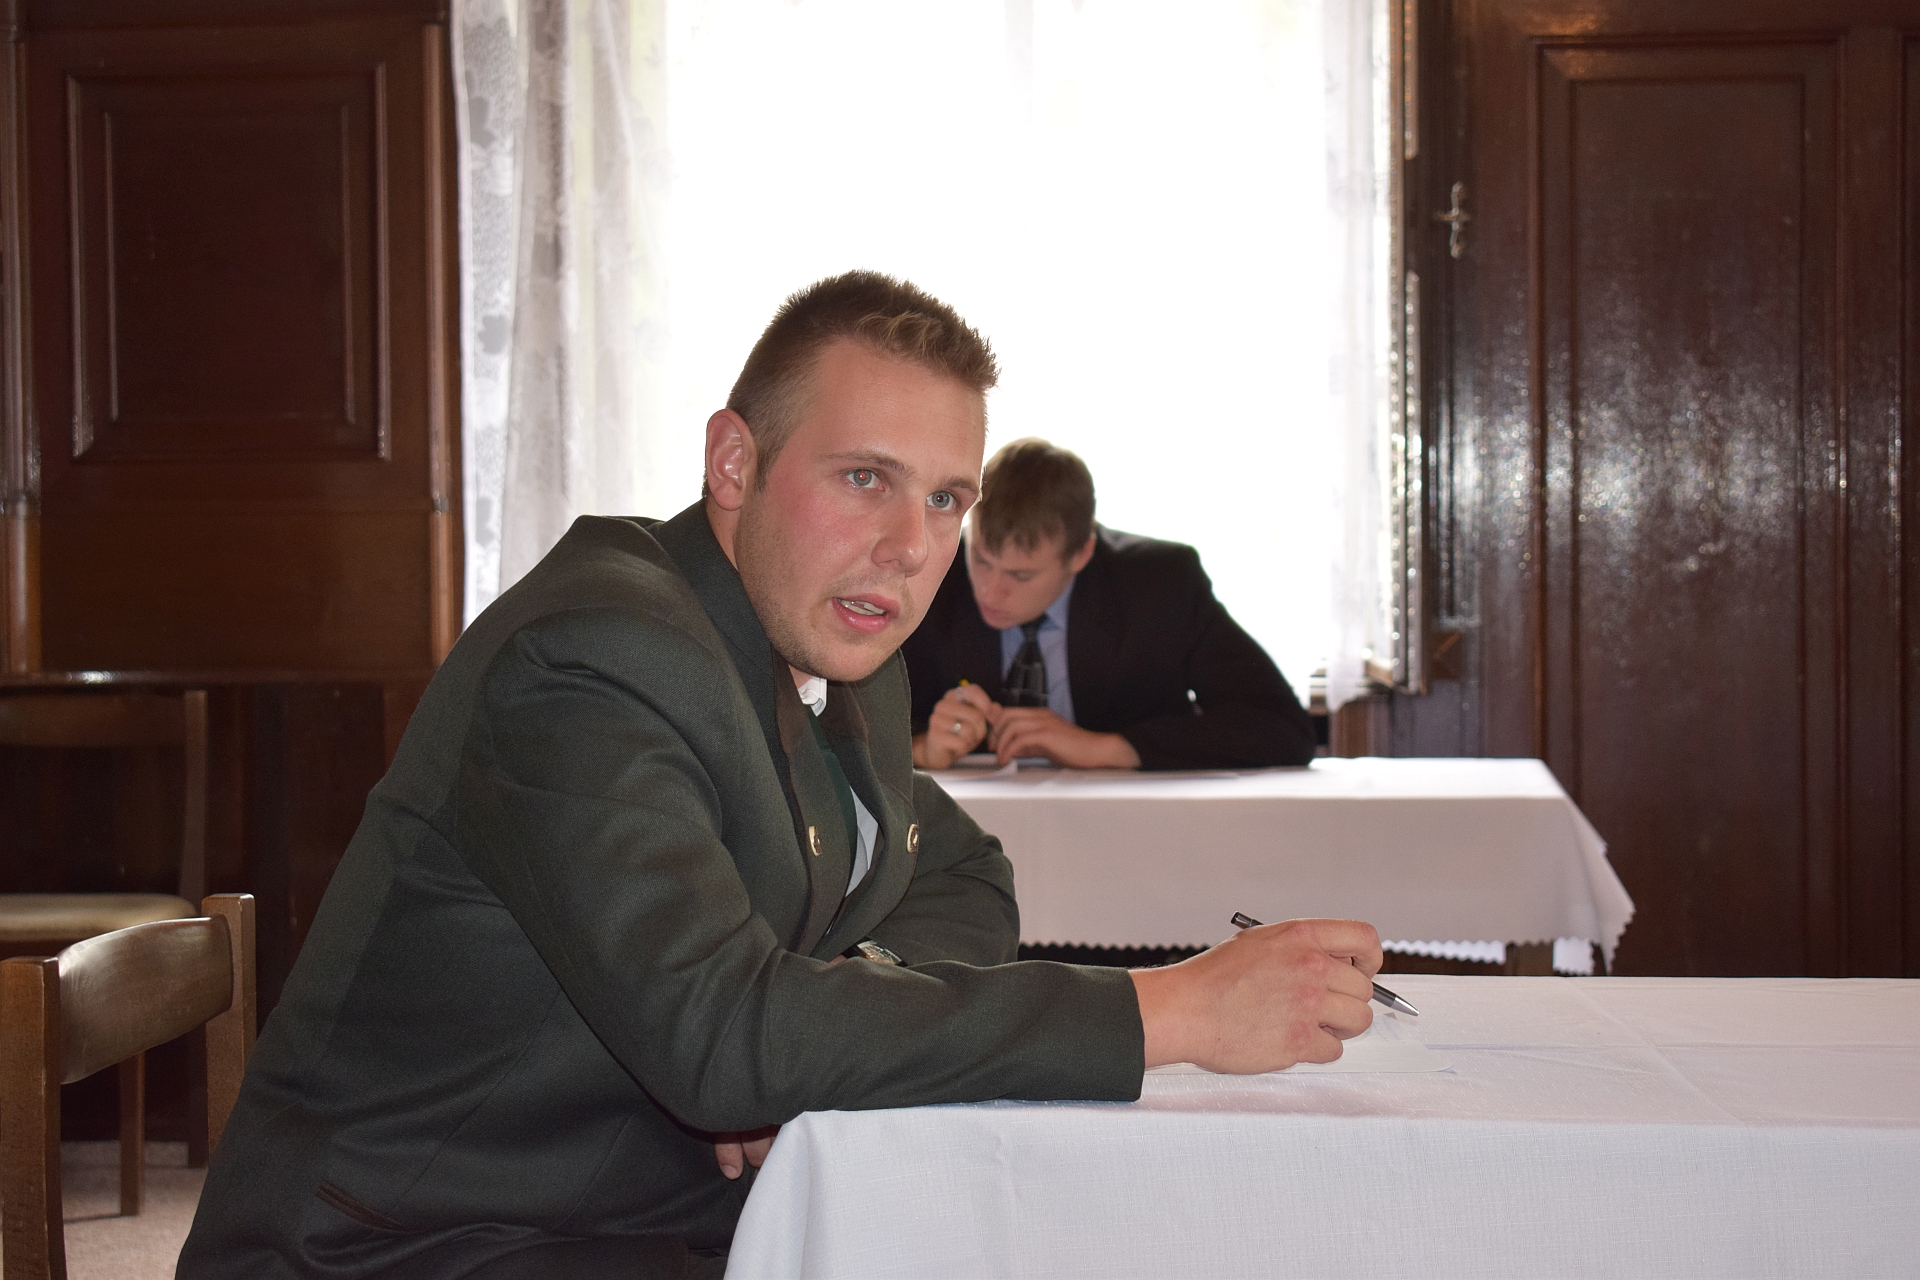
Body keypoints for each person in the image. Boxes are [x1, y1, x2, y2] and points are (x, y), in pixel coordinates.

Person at [178, 272, 1380, 1279]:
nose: (910, 548)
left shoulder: (833, 644)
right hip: (412, 1243)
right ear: (734, 463)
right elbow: (723, 1038)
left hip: (637, 1214)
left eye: (944, 499)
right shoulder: (594, 655)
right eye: (864, 478)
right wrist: (1170, 1011)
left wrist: (830, 1011)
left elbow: (963, 870)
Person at [904, 438, 1317, 770]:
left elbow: (1282, 727)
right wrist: (921, 747)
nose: (990, 592)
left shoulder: (1159, 585)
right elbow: (868, 725)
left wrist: (1107, 748)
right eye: (981, 559)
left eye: (1021, 576)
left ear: (1082, 554)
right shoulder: (931, 574)